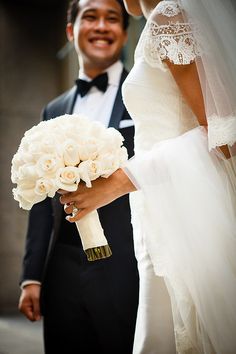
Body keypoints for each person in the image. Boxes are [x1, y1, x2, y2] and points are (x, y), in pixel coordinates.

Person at [60, 0, 236, 353]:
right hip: (158, 208)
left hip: (185, 212)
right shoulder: (163, 21)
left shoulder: (169, 16)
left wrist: (119, 182)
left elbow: (223, 138)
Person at [18, 1, 139, 353]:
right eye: (90, 17)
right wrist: (32, 276)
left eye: (112, 18)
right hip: (63, 271)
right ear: (71, 31)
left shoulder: (144, 95)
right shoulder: (53, 109)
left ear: (124, 33)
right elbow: (42, 200)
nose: (101, 26)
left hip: (129, 266)